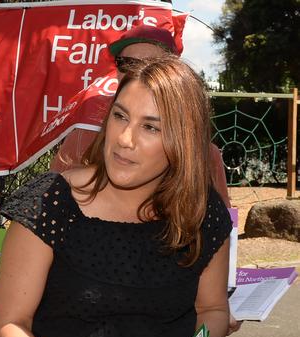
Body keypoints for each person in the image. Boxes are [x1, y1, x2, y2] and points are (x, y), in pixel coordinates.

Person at [0, 56, 232, 337]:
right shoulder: (50, 202)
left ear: (184, 140)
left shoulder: (202, 211)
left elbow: (213, 310)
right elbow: (10, 323)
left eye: (149, 127)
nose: (124, 138)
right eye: (120, 116)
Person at [49, 26, 231, 206]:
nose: (137, 73)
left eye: (152, 65)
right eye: (126, 63)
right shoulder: (82, 136)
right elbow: (48, 203)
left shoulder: (203, 154)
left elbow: (224, 225)